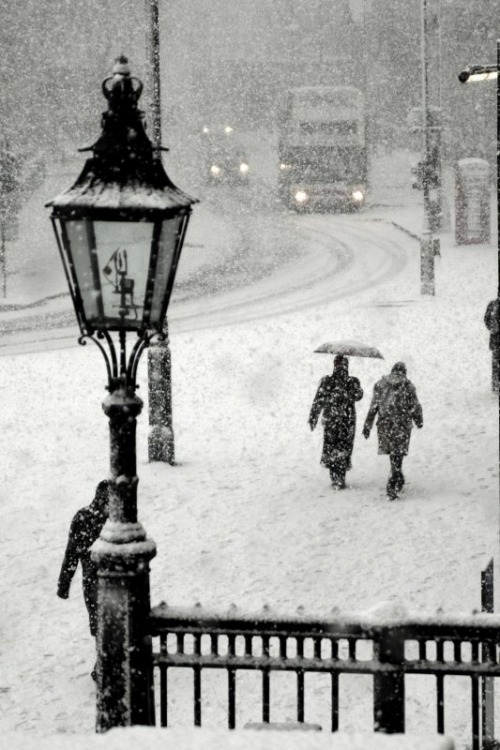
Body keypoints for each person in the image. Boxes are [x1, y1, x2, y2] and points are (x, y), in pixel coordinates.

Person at [57, 480, 110, 676]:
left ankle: (105, 664)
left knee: (103, 624)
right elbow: (72, 552)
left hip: (96, 581)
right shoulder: (108, 520)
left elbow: (71, 553)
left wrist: (64, 582)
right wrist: (64, 583)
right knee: (103, 624)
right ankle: (105, 664)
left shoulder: (83, 517)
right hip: (100, 581)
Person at [362, 362, 423, 500]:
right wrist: (418, 420)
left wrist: (368, 425)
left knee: (393, 452)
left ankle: (397, 474)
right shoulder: (408, 386)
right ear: (404, 372)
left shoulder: (380, 384)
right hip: (402, 424)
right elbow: (414, 406)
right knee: (398, 451)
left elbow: (374, 406)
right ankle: (393, 480)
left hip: (385, 424)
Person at [309, 354, 363, 489]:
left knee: (337, 447)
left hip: (338, 419)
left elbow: (359, 395)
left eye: (342, 364)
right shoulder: (336, 381)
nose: (340, 367)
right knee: (338, 447)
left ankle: (337, 477)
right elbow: (319, 399)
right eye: (339, 364)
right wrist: (313, 416)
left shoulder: (347, 381)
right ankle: (337, 477)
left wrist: (314, 416)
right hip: (344, 419)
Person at [484, 297, 499, 392]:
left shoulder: (493, 304)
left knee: (496, 362)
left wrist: (493, 330)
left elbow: (486, 320)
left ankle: (496, 383)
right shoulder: (493, 304)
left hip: (495, 339)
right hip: (496, 339)